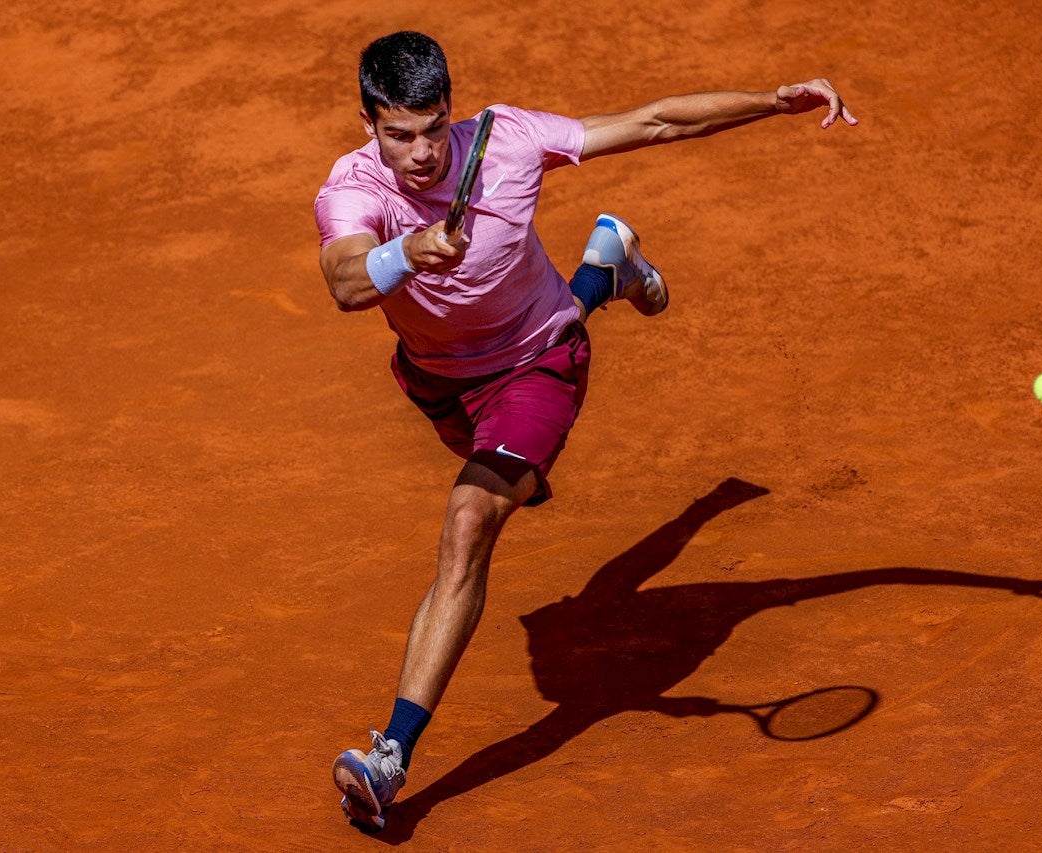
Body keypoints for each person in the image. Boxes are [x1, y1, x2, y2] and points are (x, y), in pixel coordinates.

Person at [313, 30, 857, 830]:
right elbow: (345, 280)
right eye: (400, 134)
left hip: (538, 365)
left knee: (470, 521)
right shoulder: (352, 187)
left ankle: (389, 756)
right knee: (508, 488)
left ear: (450, 110)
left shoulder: (509, 140)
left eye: (434, 128)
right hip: (440, 383)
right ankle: (605, 267)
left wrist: (773, 101)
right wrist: (410, 250)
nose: (422, 152)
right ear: (368, 124)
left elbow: (655, 122)